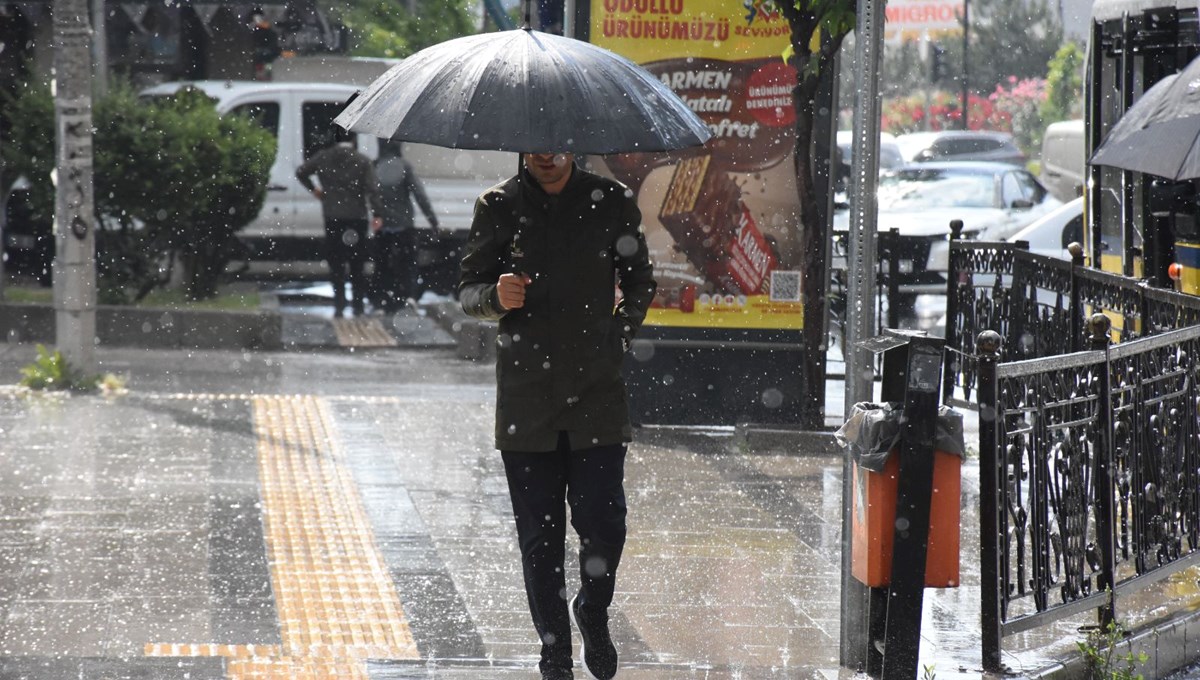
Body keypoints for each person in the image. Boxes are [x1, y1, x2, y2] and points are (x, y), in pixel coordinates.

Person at [458, 152, 656, 680]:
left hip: (597, 394)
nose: (546, 156)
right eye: (535, 145)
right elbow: (467, 291)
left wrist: (618, 337)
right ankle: (554, 651)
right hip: (527, 399)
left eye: (556, 144)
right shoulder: (498, 206)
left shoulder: (611, 201)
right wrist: (494, 298)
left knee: (604, 524)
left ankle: (592, 610)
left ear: (575, 144)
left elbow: (641, 281)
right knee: (539, 538)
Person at [296, 129, 382, 317]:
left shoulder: (323, 157)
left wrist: (316, 190)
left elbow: (301, 172)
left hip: (333, 217)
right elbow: (372, 189)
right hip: (356, 218)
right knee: (357, 264)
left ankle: (339, 304)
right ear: (353, 139)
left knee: (336, 263)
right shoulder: (362, 160)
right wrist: (377, 214)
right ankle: (358, 305)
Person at [371, 140, 440, 312]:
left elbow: (370, 193)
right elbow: (419, 194)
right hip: (404, 225)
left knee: (382, 265)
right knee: (407, 264)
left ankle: (382, 299)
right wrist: (432, 220)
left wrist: (376, 214)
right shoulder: (404, 167)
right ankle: (408, 296)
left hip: (383, 226)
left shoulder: (375, 166)